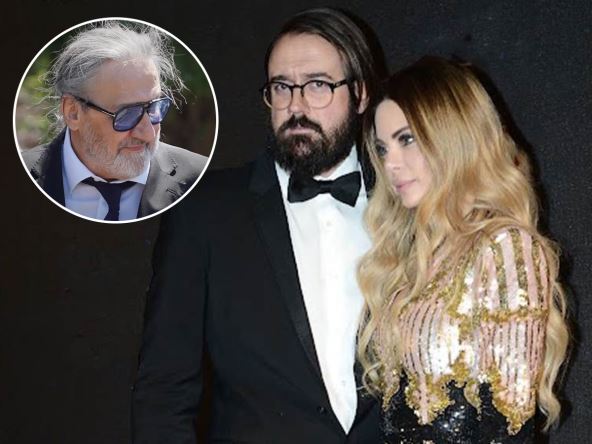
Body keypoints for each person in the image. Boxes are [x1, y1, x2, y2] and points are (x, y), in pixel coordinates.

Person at [132, 7, 386, 443]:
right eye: (281, 87)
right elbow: (163, 393)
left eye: (318, 86)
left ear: (360, 94)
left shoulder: (407, 210)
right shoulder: (206, 214)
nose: (296, 106)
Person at [357, 57, 570, 443]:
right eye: (383, 149)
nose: (391, 164)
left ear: (452, 135)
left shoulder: (506, 248)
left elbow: (510, 426)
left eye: (407, 139)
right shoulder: (412, 257)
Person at [21, 22, 208, 221]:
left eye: (154, 107)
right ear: (73, 112)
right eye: (127, 114)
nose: (148, 133)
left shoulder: (204, 181)